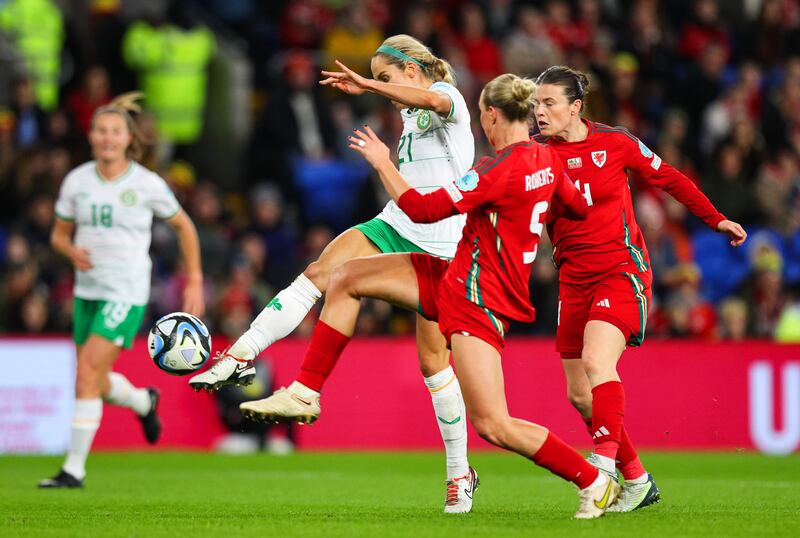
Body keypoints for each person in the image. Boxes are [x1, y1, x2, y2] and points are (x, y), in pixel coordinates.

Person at [241, 74, 617, 519]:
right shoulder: (548, 161)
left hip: (479, 300)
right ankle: (305, 391)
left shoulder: (494, 170)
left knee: (494, 425)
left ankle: (593, 480)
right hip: (455, 278)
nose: (483, 126)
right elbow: (575, 205)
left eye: (481, 117)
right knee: (344, 277)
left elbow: (420, 209)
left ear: (492, 114)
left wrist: (382, 161)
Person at [190, 34, 478, 513]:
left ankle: (459, 473)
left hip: (441, 244)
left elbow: (427, 97)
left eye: (386, 76)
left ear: (411, 69)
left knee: (433, 364)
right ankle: (240, 356)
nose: (381, 86)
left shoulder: (448, 99)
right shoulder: (408, 113)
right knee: (322, 270)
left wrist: (369, 85)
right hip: (396, 222)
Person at [532, 65, 748, 512]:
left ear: (575, 107)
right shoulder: (534, 154)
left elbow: (668, 177)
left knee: (597, 360)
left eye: (549, 103)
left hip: (621, 271)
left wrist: (716, 218)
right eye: (536, 103)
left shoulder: (616, 141)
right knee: (578, 394)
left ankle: (603, 472)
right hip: (573, 280)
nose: (539, 112)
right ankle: (637, 480)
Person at [38, 93, 205, 488]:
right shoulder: (77, 181)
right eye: (101, 130)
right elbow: (58, 235)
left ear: (130, 139)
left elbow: (184, 226)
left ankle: (73, 470)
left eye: (116, 132)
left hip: (125, 291)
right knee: (94, 378)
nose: (107, 138)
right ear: (91, 135)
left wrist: (194, 277)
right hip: (88, 291)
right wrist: (70, 250)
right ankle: (143, 401)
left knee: (86, 375)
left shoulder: (146, 184)